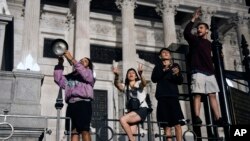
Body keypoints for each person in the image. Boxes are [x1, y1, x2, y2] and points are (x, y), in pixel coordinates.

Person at [183, 7, 225, 126]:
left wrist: (218, 56)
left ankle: (218, 118)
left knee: (212, 95)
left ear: (207, 30)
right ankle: (196, 116)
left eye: (201, 28)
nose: (198, 30)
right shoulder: (195, 40)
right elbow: (186, 33)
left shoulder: (210, 44)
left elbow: (210, 59)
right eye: (197, 28)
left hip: (210, 72)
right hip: (198, 71)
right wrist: (193, 19)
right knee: (197, 94)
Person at [54, 51, 95, 141]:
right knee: (74, 131)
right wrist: (60, 64)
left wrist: (72, 59)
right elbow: (58, 80)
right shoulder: (70, 77)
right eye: (81, 60)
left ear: (88, 66)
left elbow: (83, 72)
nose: (81, 62)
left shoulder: (89, 73)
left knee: (85, 130)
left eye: (85, 61)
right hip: (72, 105)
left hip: (83, 104)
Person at [151, 48, 184, 141]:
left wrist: (177, 74)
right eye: (163, 53)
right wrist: (164, 70)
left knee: (177, 123)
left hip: (173, 96)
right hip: (162, 96)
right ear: (160, 56)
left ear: (170, 55)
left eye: (167, 52)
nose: (165, 54)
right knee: (166, 125)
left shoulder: (175, 65)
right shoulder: (157, 67)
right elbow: (154, 79)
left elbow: (180, 81)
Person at [113, 64, 149, 141]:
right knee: (131, 134)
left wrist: (141, 74)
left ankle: (132, 140)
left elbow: (144, 83)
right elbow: (117, 85)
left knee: (122, 120)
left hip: (141, 109)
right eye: (129, 73)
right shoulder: (125, 86)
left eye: (133, 73)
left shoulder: (139, 83)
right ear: (127, 76)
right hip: (132, 111)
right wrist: (116, 76)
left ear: (136, 76)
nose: (131, 74)